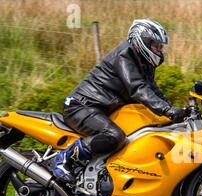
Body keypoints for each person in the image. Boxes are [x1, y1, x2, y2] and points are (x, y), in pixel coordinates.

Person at [52, 19, 187, 184]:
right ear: (141, 41)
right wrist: (167, 110)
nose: (159, 50)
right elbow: (137, 88)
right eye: (156, 45)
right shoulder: (125, 56)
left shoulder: (144, 62)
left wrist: (173, 110)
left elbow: (152, 89)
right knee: (114, 136)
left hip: (100, 109)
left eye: (160, 47)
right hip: (81, 107)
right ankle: (64, 158)